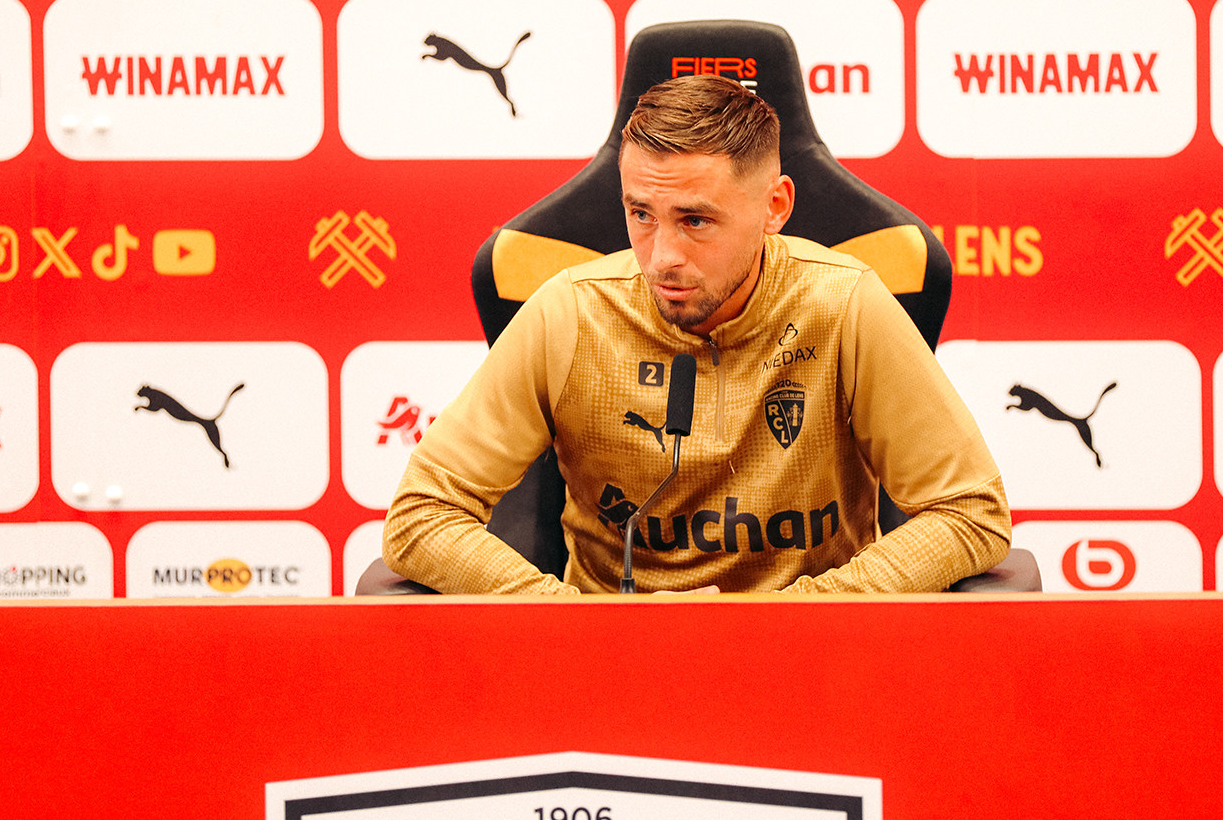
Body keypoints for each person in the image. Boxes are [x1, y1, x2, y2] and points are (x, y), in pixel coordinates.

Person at [383, 74, 1011, 594]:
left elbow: (969, 511)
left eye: (696, 221)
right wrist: (569, 619)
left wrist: (800, 614)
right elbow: (420, 515)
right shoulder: (569, 313)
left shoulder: (844, 305)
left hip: (805, 660)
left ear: (775, 207)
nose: (661, 257)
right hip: (608, 666)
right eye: (641, 214)